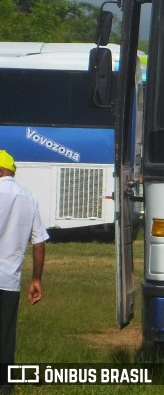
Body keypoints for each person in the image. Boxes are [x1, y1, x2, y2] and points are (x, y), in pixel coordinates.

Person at [0, 150, 49, 392]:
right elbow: (39, 243)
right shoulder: (29, 198)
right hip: (9, 281)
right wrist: (36, 279)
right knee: (6, 335)